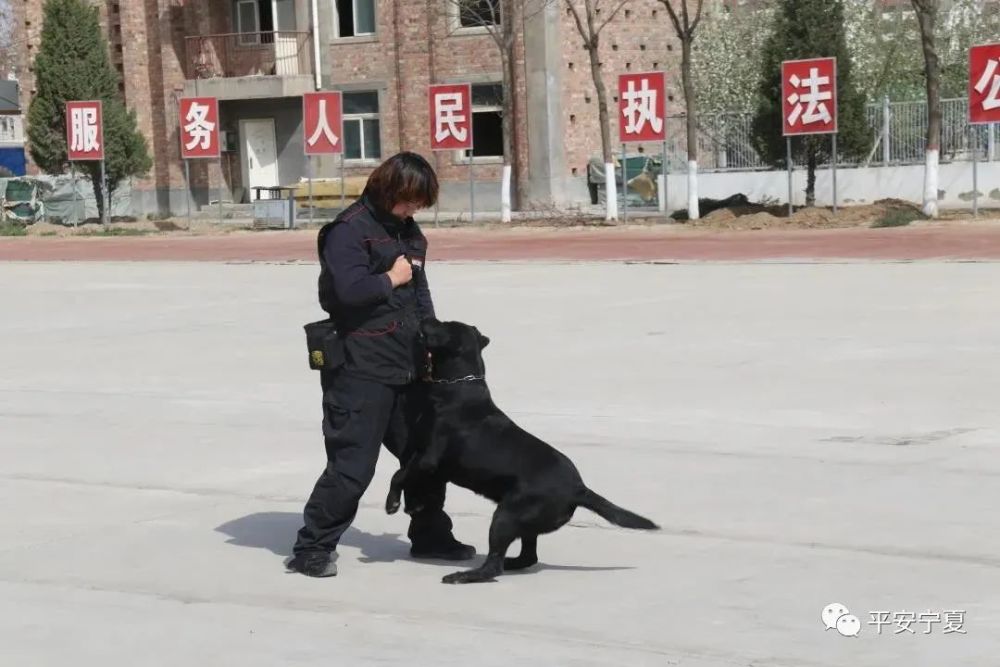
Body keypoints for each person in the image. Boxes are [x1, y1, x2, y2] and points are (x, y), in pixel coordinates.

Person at [286, 152, 474, 578]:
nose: (413, 210)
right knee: (353, 466)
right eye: (409, 201)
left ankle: (430, 536)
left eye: (419, 204)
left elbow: (420, 290)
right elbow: (347, 292)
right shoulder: (347, 232)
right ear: (388, 190)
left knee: (425, 457)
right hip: (359, 369)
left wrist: (431, 339)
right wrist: (391, 278)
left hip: (407, 364)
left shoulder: (407, 232)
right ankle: (312, 546)